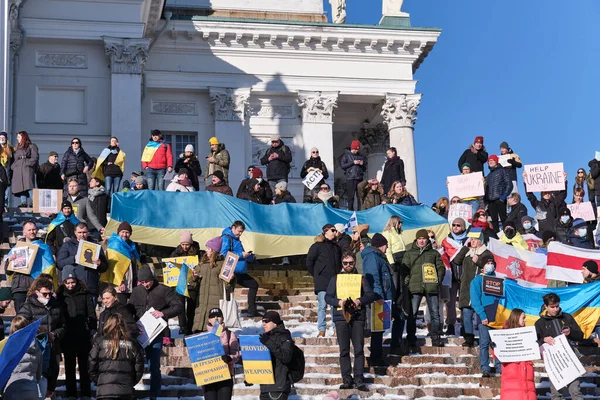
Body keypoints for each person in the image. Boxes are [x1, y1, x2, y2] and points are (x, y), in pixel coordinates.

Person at [128, 264, 183, 400]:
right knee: (132, 365)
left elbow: (178, 306)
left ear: (152, 278)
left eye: (147, 281)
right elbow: (130, 310)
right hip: (139, 333)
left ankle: (154, 395)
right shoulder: (136, 291)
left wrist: (163, 313)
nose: (145, 284)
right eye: (143, 282)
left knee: (154, 366)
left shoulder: (164, 290)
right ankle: (130, 392)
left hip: (156, 334)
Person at [325, 252, 376, 390]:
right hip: (341, 317)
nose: (348, 265)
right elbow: (328, 297)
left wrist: (359, 300)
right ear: (342, 264)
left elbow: (370, 295)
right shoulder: (335, 279)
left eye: (351, 263)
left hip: (358, 316)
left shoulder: (361, 279)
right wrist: (338, 301)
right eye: (345, 263)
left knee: (359, 349)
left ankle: (359, 378)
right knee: (344, 350)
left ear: (354, 263)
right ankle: (346, 378)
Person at [18, 277, 66, 399]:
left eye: (50, 293)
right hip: (37, 346)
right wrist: (40, 333)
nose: (48, 297)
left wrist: (55, 334)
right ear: (37, 292)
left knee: (53, 372)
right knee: (40, 373)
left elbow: (63, 326)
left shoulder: (56, 305)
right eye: (45, 294)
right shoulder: (29, 306)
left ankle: (49, 393)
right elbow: (20, 324)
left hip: (53, 345)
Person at [57, 267, 97, 400]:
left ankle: (85, 392)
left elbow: (91, 314)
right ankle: (71, 394)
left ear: (76, 280)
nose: (70, 285)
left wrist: (92, 330)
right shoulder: (60, 295)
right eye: (67, 283)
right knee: (69, 366)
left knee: (84, 366)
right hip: (67, 336)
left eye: (72, 282)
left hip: (82, 335)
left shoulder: (85, 294)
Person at [402, 229, 446, 349]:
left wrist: (438, 280)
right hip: (415, 287)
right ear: (416, 240)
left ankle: (436, 337)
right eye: (419, 239)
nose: (421, 241)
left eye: (424, 239)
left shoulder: (434, 253)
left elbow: (441, 268)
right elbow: (404, 269)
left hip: (431, 286)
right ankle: (411, 338)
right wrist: (407, 280)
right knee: (412, 313)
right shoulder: (409, 253)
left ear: (427, 240)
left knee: (435, 314)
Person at [534, 293, 583, 400]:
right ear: (546, 306)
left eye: (557, 306)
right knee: (556, 394)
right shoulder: (539, 323)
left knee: (576, 391)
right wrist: (543, 340)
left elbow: (580, 335)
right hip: (554, 363)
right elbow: (534, 343)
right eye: (552, 307)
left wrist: (570, 333)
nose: (555, 309)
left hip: (570, 359)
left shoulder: (567, 317)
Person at [89, 314, 145, 400]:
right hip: (125, 390)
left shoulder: (100, 342)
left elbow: (91, 363)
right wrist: (130, 381)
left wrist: (99, 381)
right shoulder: (132, 343)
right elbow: (139, 366)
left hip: (104, 391)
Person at [362, 233, 396, 364]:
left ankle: (377, 355)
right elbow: (373, 278)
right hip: (378, 298)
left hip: (383, 297)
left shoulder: (378, 256)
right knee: (377, 328)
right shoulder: (372, 257)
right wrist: (378, 296)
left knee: (380, 328)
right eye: (386, 245)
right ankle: (375, 357)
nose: (387, 249)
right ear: (382, 245)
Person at [57, 222, 108, 306]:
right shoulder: (68, 245)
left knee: (91, 316)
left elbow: (105, 267)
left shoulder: (95, 245)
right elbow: (60, 264)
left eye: (84, 232)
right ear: (75, 232)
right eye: (79, 232)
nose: (82, 235)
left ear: (88, 232)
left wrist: (99, 264)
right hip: (73, 288)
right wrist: (73, 258)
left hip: (90, 288)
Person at [306, 224, 342, 337]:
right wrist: (317, 275)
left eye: (335, 231)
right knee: (322, 305)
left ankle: (336, 329)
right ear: (325, 231)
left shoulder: (336, 247)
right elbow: (309, 262)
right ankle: (322, 329)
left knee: (334, 306)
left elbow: (340, 262)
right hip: (322, 281)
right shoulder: (317, 246)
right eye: (333, 230)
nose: (335, 232)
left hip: (334, 280)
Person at [469, 255, 502, 377]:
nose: (490, 265)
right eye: (487, 263)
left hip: (498, 317)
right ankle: (485, 368)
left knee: (498, 343)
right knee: (484, 343)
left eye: (492, 263)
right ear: (482, 266)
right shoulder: (477, 281)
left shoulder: (500, 280)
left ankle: (499, 366)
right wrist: (482, 315)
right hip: (485, 317)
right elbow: (475, 300)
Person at [220, 221, 259, 316]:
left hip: (238, 270)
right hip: (231, 270)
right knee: (227, 292)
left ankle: (252, 311)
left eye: (242, 232)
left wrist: (250, 257)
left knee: (253, 284)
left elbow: (240, 254)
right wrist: (242, 254)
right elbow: (223, 254)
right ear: (233, 228)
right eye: (239, 231)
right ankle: (226, 314)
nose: (240, 234)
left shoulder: (236, 239)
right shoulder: (226, 238)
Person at [2, 316, 45, 400]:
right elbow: (39, 374)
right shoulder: (37, 347)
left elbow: (4, 373)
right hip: (31, 389)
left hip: (12, 389)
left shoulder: (9, 347)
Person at [202, 308, 240, 400]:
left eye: (218, 316)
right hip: (208, 375)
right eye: (212, 316)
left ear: (222, 318)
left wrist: (230, 358)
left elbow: (236, 353)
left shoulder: (230, 334)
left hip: (225, 374)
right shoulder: (202, 336)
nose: (215, 318)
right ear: (208, 319)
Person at [497, 308, 536, 400]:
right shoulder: (504, 333)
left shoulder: (527, 334)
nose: (525, 320)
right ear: (516, 318)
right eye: (523, 318)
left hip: (527, 378)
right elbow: (497, 355)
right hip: (512, 376)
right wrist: (495, 346)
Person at [170, 230, 201, 335]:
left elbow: (200, 266)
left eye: (187, 244)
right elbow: (169, 265)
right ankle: (182, 326)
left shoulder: (197, 252)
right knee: (180, 306)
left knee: (191, 306)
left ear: (191, 243)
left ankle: (190, 326)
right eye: (183, 244)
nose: (185, 247)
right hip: (180, 284)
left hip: (192, 284)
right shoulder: (175, 253)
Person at [443, 218, 470, 337]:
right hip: (452, 275)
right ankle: (450, 325)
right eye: (453, 225)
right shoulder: (446, 241)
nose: (455, 227)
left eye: (458, 225)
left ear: (463, 227)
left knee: (465, 302)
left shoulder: (470, 240)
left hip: (465, 276)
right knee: (450, 302)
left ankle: (465, 325)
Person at [192, 236, 225, 332]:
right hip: (202, 302)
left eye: (209, 248)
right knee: (199, 330)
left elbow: (228, 287)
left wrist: (231, 280)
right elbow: (193, 283)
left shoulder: (222, 264)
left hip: (216, 302)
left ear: (214, 250)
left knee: (216, 333)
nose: (206, 250)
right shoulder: (202, 264)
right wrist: (193, 277)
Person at [258, 311, 293, 400]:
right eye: (262, 321)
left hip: (278, 386)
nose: (264, 324)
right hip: (265, 387)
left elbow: (286, 357)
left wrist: (268, 342)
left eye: (266, 321)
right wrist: (252, 377)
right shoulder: (265, 338)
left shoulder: (284, 336)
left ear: (275, 323)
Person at [107, 222, 141, 304]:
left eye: (127, 232)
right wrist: (120, 282)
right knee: (120, 308)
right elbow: (113, 266)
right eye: (122, 232)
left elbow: (136, 263)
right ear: (118, 232)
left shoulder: (132, 246)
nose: (125, 235)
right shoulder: (115, 245)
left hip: (132, 281)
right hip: (120, 285)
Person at [484, 155, 513, 233]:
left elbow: (509, 184)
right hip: (491, 201)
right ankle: (496, 235)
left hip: (499, 199)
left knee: (503, 218)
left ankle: (506, 233)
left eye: (492, 160)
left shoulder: (503, 171)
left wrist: (503, 196)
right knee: (494, 220)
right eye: (489, 161)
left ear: (496, 162)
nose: (490, 162)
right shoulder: (488, 176)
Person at [11, 130, 39, 207]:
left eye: (19, 137)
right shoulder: (17, 148)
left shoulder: (31, 146)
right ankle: (24, 202)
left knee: (29, 185)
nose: (17, 139)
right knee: (20, 186)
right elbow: (15, 159)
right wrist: (14, 166)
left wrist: (28, 163)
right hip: (18, 169)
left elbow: (35, 157)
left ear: (23, 137)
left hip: (27, 168)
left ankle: (34, 201)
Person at [340, 140, 366, 211]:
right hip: (350, 178)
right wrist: (353, 162)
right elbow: (342, 166)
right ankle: (350, 211)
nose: (356, 151)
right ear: (352, 148)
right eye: (355, 149)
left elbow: (364, 168)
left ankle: (360, 210)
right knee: (351, 197)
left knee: (360, 196)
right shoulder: (346, 155)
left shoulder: (361, 156)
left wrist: (362, 164)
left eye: (357, 149)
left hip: (359, 178)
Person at [0, 131, 14, 205]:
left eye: (3, 137)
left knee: (7, 188)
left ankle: (5, 204)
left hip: (7, 169)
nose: (2, 139)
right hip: (0, 170)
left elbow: (12, 161)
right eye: (0, 137)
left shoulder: (10, 149)